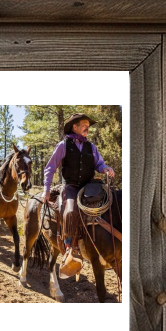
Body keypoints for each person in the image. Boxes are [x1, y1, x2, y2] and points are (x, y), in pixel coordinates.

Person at [41, 113, 115, 268]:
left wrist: (106, 169)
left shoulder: (91, 147)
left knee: (111, 203)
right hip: (71, 186)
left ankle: (105, 244)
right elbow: (50, 168)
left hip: (90, 186)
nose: (87, 127)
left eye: (88, 125)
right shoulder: (63, 145)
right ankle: (70, 248)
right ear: (75, 127)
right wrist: (46, 189)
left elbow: (99, 164)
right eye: (84, 124)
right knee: (70, 211)